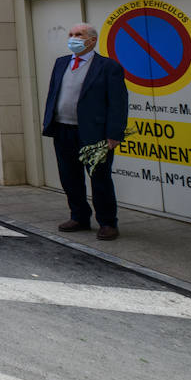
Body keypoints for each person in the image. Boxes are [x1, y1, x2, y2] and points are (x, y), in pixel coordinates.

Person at [42, 22, 127, 240]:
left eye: (79, 35)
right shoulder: (61, 63)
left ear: (92, 40)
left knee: (100, 178)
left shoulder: (108, 67)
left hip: (94, 133)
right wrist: (49, 121)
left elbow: (118, 103)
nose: (73, 38)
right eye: (71, 34)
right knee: (69, 177)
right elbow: (54, 93)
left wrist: (114, 134)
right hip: (63, 130)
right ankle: (79, 215)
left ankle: (108, 222)